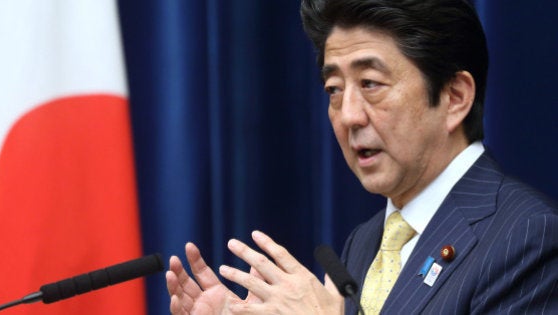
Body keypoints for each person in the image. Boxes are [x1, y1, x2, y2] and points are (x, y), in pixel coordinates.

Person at [166, 0, 558, 314]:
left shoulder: (528, 239)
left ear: (455, 97)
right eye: (334, 89)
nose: (349, 115)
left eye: (370, 84)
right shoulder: (366, 241)